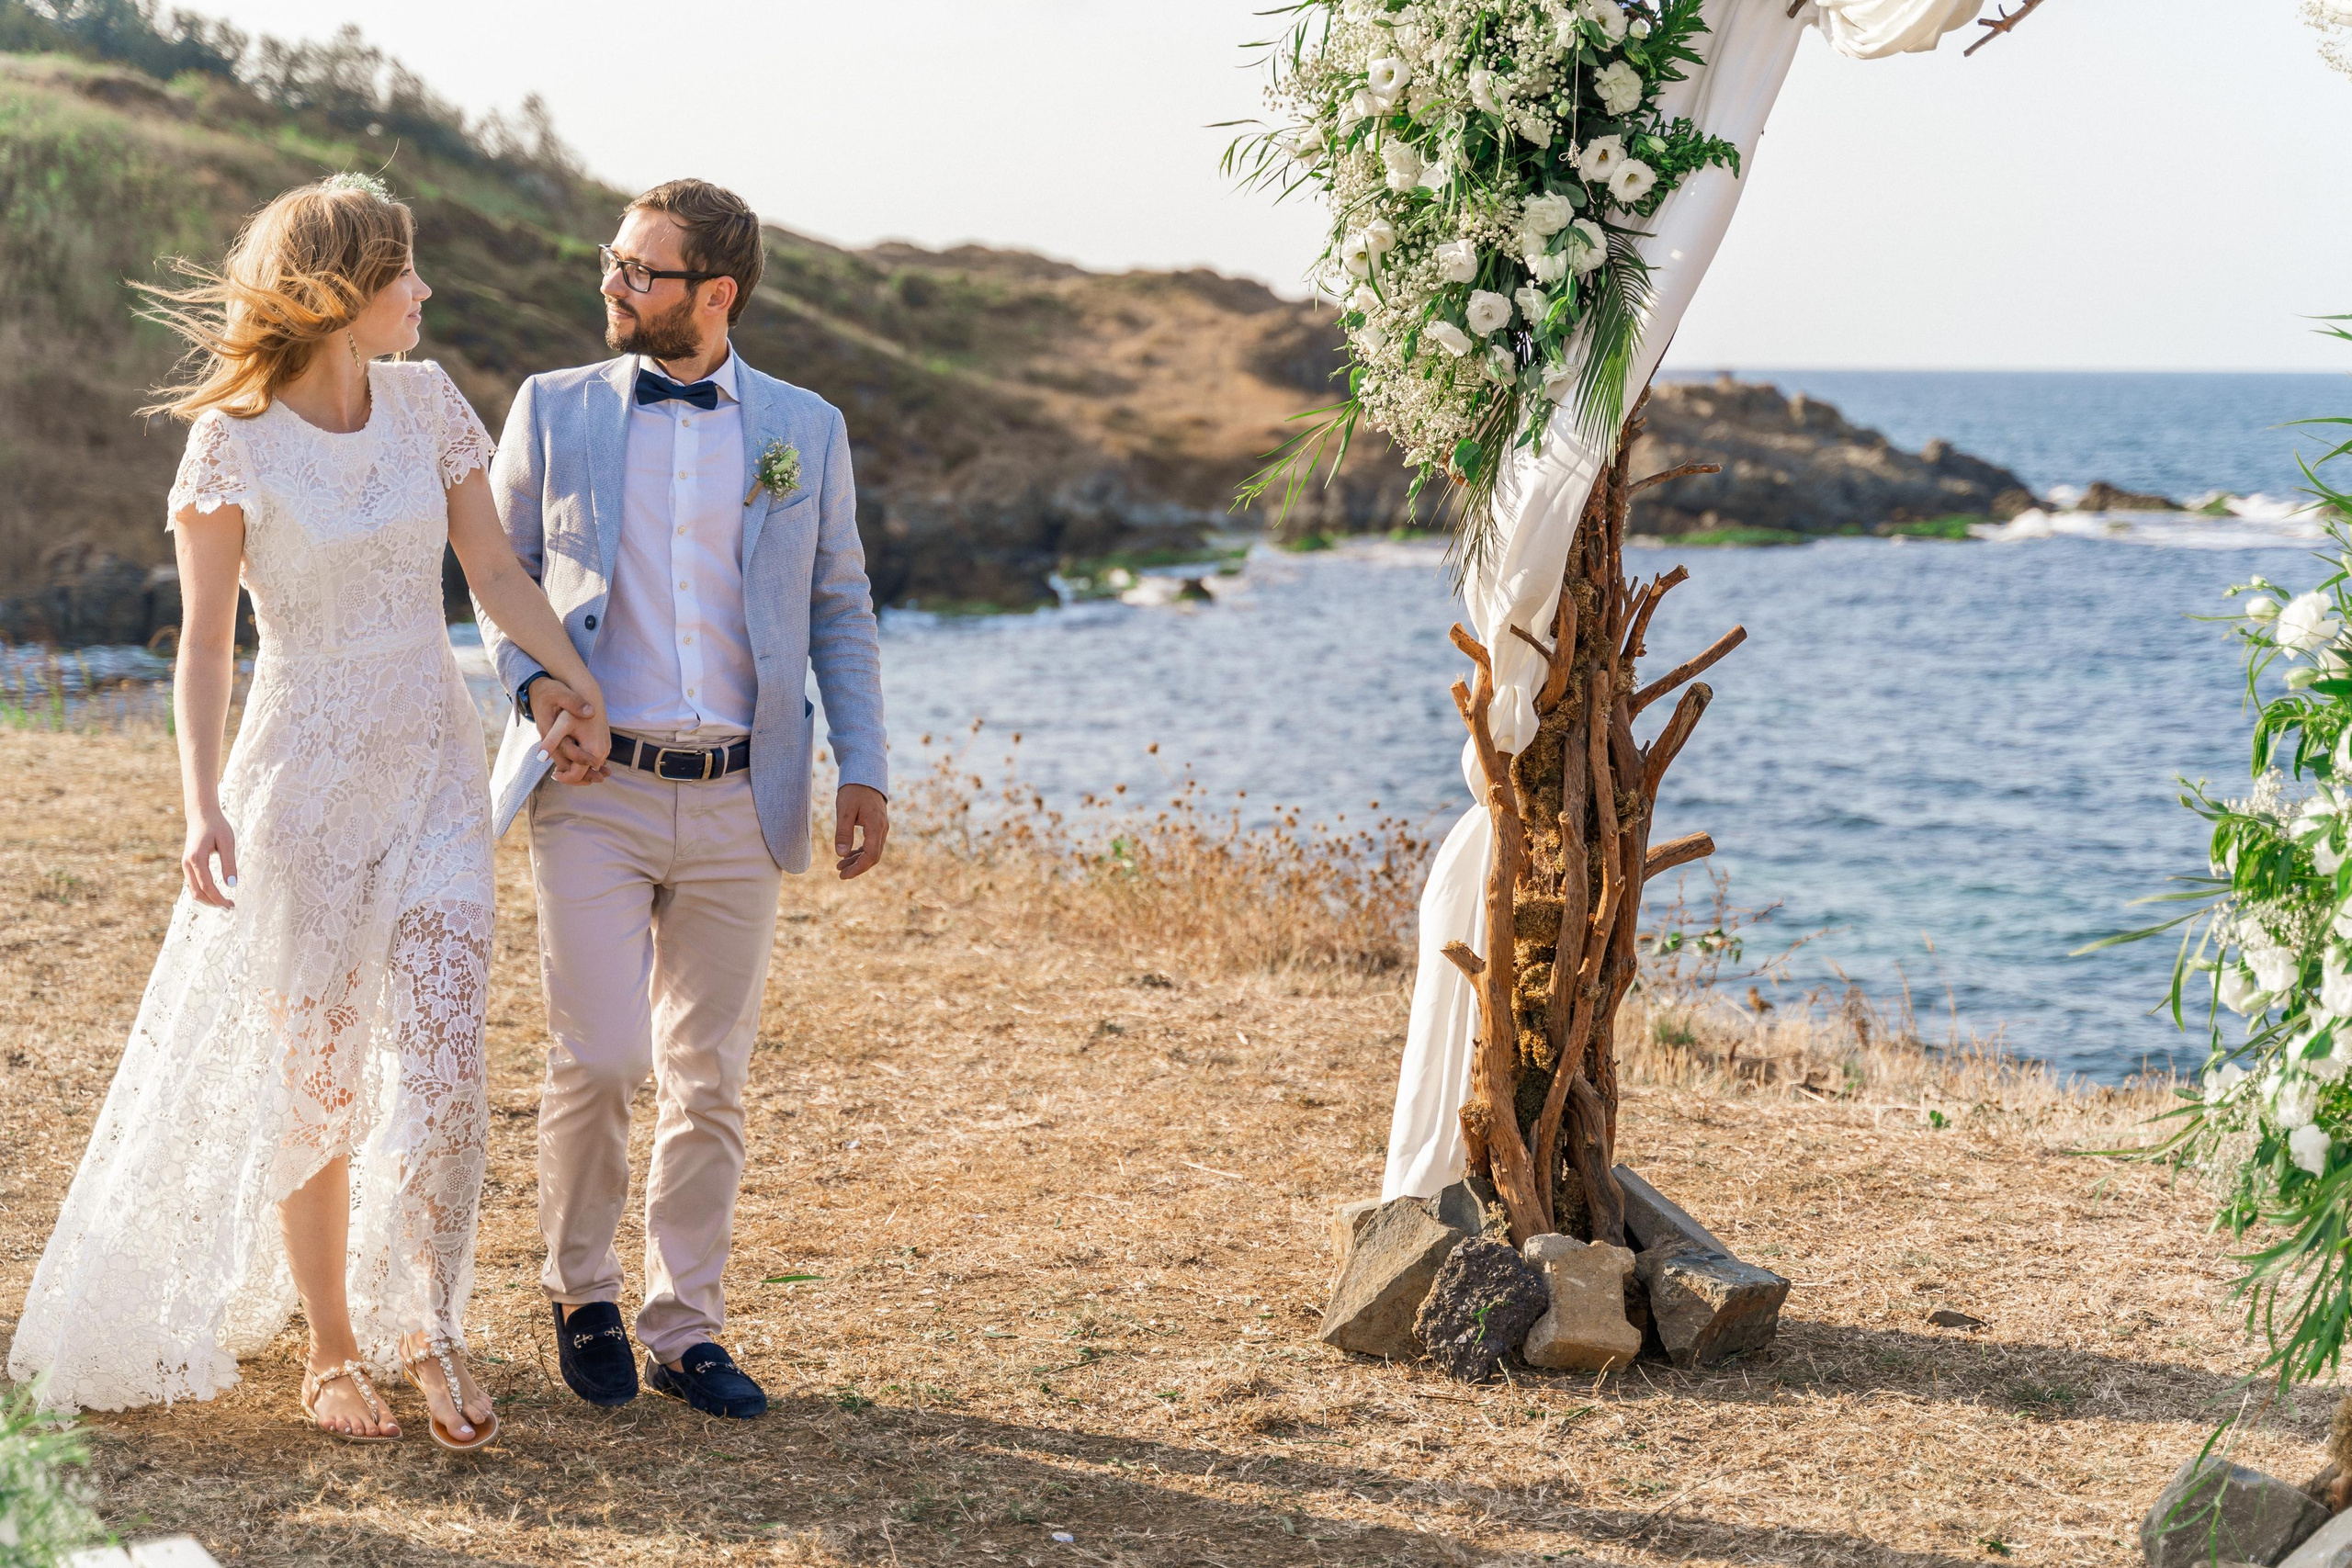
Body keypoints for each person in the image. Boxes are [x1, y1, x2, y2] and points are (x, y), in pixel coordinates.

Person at [6, 174, 611, 1450]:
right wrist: (199, 804)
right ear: (347, 292)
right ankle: (334, 1352)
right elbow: (207, 648)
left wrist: (571, 677)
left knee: (447, 1071)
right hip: (302, 783)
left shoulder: (432, 401)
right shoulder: (233, 438)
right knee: (321, 1076)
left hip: (437, 769)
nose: (425, 294)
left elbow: (491, 568)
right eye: (408, 274)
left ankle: (428, 1329)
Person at [478, 178, 888, 1421]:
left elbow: (838, 604)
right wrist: (542, 691)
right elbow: (496, 581)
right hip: (594, 790)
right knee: (600, 1057)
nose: (612, 284)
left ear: (716, 295)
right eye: (612, 261)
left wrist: (862, 761)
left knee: (710, 1077)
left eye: (640, 271)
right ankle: (582, 1289)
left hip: (738, 797)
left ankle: (684, 1324)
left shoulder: (804, 428)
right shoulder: (550, 411)